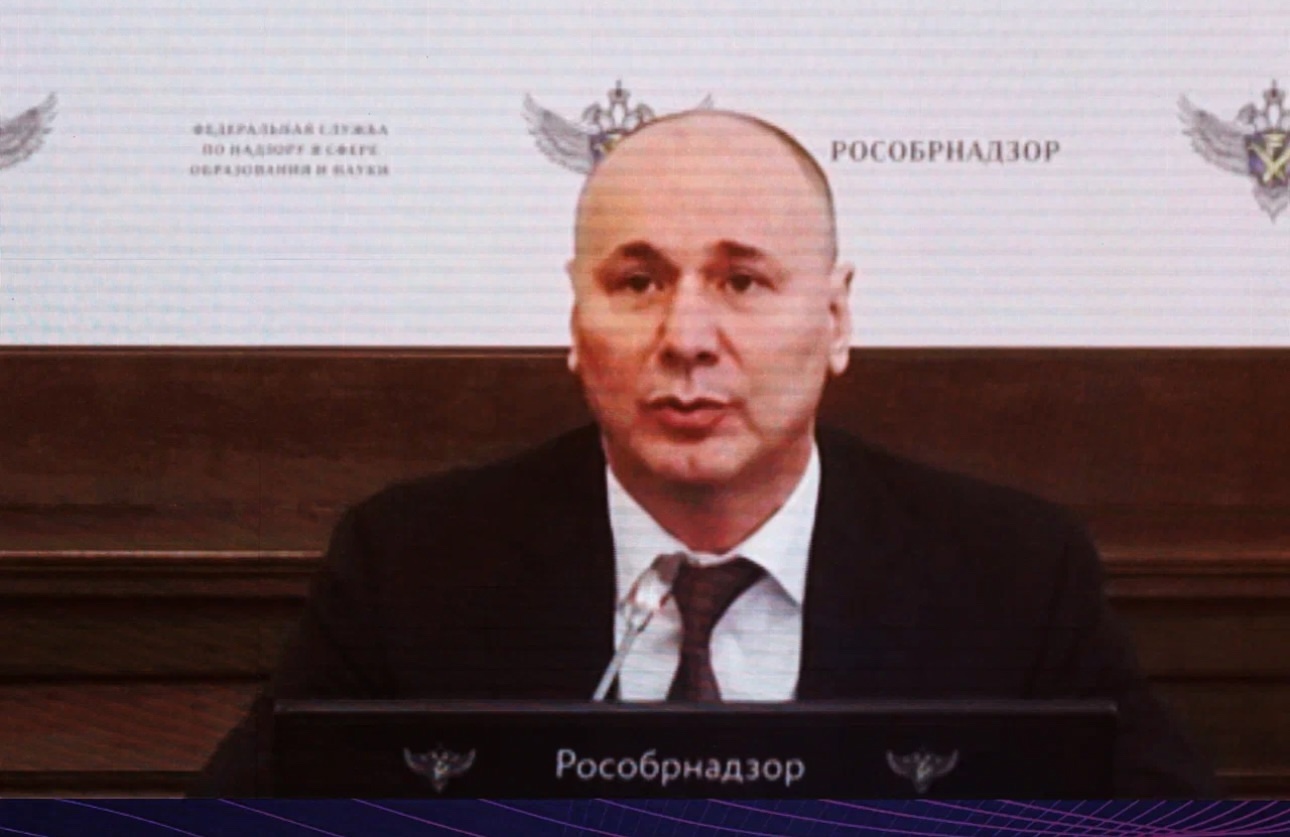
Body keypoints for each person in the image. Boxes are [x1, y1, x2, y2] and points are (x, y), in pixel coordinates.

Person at [193, 110, 1215, 796]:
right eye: (637, 282)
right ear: (575, 319)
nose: (685, 337)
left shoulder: (1014, 573)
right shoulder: (411, 564)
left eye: (743, 282)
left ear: (836, 318)